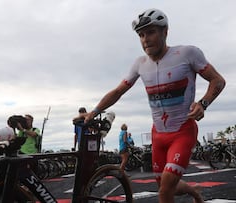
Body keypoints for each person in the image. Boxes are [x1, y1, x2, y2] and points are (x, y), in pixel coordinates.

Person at [84, 8, 226, 203]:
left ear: (165, 32)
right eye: (141, 35)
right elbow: (118, 91)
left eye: (150, 32)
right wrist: (94, 112)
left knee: (165, 189)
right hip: (157, 135)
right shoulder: (140, 64)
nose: (145, 39)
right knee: (166, 187)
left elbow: (218, 80)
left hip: (182, 132)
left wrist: (203, 103)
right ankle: (194, 192)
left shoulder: (187, 53)